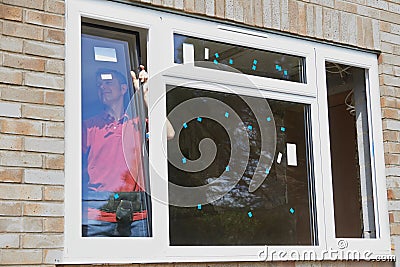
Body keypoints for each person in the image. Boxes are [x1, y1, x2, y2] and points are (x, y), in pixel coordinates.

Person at [82, 68, 151, 237]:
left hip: (135, 216)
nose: (102, 87)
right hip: (97, 215)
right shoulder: (90, 126)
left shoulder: (137, 124)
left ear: (123, 89)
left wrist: (145, 93)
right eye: (99, 84)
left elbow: (169, 134)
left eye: (108, 82)